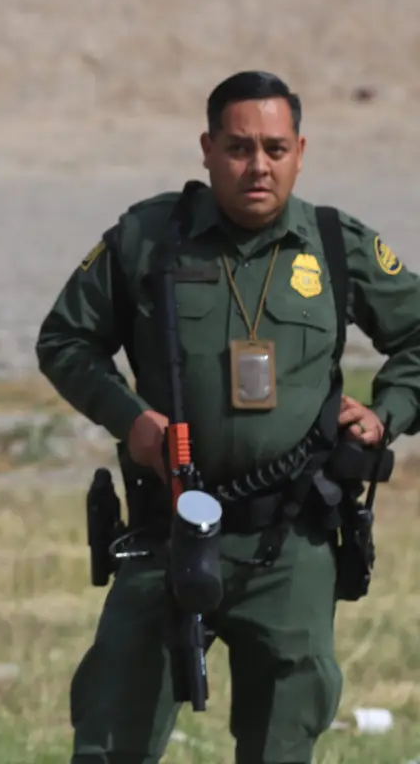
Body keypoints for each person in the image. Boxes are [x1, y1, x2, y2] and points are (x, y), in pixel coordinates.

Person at [35, 70, 420, 763]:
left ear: (301, 151)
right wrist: (132, 421)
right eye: (239, 148)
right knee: (110, 738)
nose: (258, 166)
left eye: (275, 148)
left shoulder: (335, 244)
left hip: (292, 543)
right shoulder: (148, 238)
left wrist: (387, 412)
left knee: (282, 743)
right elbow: (65, 340)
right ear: (206, 150)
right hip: (169, 528)